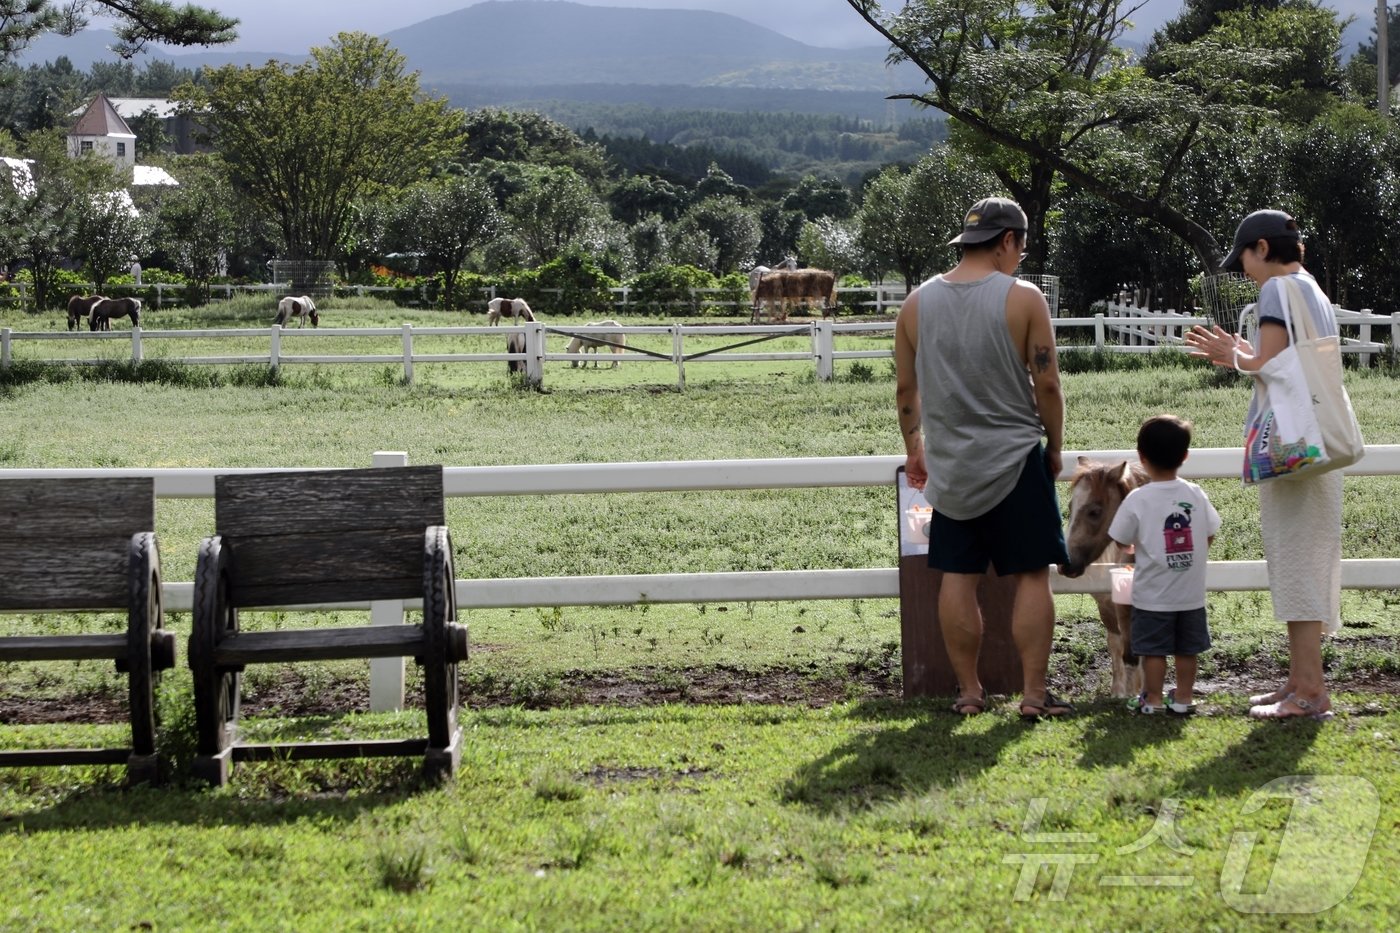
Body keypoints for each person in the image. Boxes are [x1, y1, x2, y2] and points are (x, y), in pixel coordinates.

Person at [894, 196, 1072, 720]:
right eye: (1021, 245)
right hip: (1017, 457)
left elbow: (907, 391)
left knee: (958, 576)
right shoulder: (1024, 298)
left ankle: (969, 692)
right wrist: (1055, 447)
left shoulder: (916, 304)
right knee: (1033, 575)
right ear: (1007, 242)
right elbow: (1048, 383)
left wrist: (915, 449)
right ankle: (1034, 695)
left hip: (951, 466)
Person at [1184, 209, 1341, 720]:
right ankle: (1299, 682)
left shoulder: (1275, 289)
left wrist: (1233, 354)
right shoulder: (1310, 287)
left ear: (1264, 249)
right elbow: (1285, 362)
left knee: (1295, 564)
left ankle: (1309, 692)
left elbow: (1268, 364)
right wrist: (1241, 353)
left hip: (1292, 448)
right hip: (1316, 442)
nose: (1246, 270)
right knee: (1306, 562)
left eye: (1246, 258)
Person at [1107, 415, 1221, 715]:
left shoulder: (1137, 499)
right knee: (1187, 650)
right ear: (1184, 456)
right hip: (1190, 594)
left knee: (1153, 650)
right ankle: (1183, 698)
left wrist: (1133, 547)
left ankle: (1153, 698)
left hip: (1152, 595)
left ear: (1141, 458)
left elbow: (1121, 540)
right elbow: (1209, 532)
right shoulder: (1195, 494)